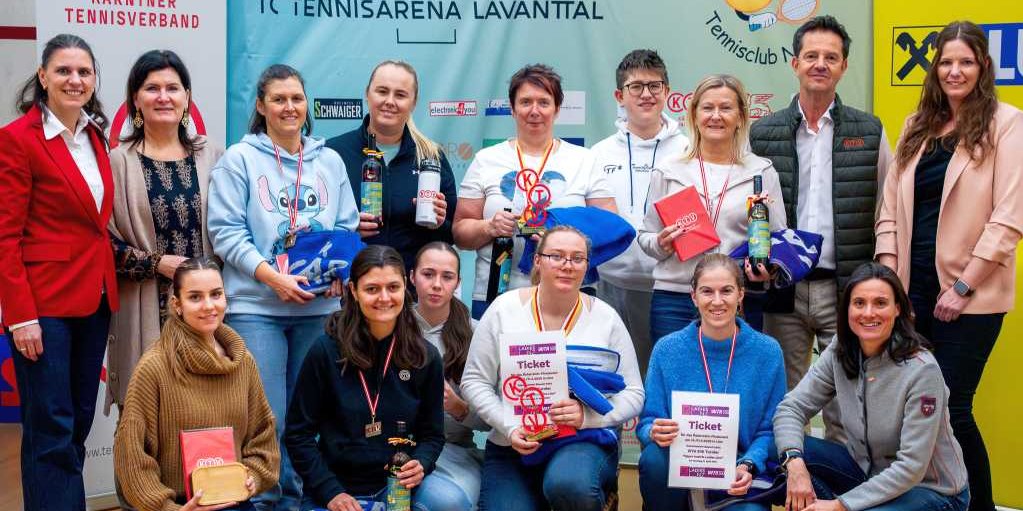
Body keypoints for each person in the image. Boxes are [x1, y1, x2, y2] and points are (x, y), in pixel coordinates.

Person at [875, 21, 1023, 511]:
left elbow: (1009, 217)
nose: (954, 71)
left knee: (953, 408)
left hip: (970, 295)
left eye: (966, 61)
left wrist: (963, 286)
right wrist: (891, 284)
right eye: (946, 62)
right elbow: (889, 210)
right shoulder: (916, 125)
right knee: (916, 412)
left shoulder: (1007, 123)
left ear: (984, 66)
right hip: (911, 292)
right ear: (934, 68)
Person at [207, 64, 360, 510]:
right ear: (261, 106)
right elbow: (225, 232)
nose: (289, 107)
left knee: (307, 417)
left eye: (296, 98)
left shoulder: (329, 161)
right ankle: (265, 502)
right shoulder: (239, 159)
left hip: (317, 309)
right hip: (257, 307)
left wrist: (339, 272)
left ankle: (296, 500)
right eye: (278, 99)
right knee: (266, 418)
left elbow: (347, 226)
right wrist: (271, 276)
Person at [749, 16, 892, 443]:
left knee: (847, 405)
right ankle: (791, 476)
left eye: (831, 57)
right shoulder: (762, 133)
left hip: (845, 288)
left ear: (844, 66)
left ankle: (840, 482)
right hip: (783, 288)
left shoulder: (869, 131)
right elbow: (750, 209)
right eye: (811, 55)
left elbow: (888, 209)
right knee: (787, 399)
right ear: (795, 63)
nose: (820, 64)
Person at [0, 33, 119, 511]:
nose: (75, 80)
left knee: (77, 424)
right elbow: (6, 236)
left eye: (84, 72)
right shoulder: (16, 140)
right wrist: (20, 316)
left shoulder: (95, 135)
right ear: (43, 77)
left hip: (94, 300)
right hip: (43, 307)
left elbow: (94, 224)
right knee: (50, 430)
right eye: (64, 70)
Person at [461, 226, 644, 511]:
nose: (567, 265)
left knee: (569, 485)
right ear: (537, 260)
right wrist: (509, 427)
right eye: (556, 256)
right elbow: (474, 381)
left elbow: (634, 393)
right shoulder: (503, 310)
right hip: (514, 442)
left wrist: (586, 417)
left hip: (582, 441)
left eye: (577, 258)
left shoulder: (606, 318)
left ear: (587, 265)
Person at [773, 263, 970, 511]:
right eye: (859, 303)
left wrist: (839, 506)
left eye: (880, 303)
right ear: (846, 308)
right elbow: (791, 408)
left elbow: (911, 467)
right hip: (867, 474)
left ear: (897, 308)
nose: (868, 313)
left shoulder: (922, 370)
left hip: (931, 490)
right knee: (776, 448)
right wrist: (794, 463)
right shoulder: (840, 350)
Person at [284, 245, 447, 510]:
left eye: (393, 287)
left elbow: (433, 435)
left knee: (450, 501)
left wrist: (422, 463)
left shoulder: (425, 356)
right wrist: (330, 492)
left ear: (405, 286)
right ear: (353, 291)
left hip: (398, 487)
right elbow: (298, 435)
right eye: (372, 289)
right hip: (337, 489)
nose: (384, 298)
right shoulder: (325, 351)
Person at [113, 256, 280, 511]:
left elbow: (263, 436)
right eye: (195, 297)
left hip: (235, 500)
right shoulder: (154, 367)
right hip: (179, 506)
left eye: (216, 294)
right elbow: (132, 454)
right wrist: (168, 508)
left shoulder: (243, 361)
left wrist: (253, 477)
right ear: (176, 304)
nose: (209, 306)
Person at [107, 49, 224, 410]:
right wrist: (158, 263)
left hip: (204, 310)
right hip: (144, 310)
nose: (163, 97)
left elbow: (230, 230)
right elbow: (102, 244)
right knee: (145, 416)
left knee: (205, 414)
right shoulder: (118, 162)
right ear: (135, 99)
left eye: (172, 88)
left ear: (187, 98)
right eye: (152, 88)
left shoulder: (212, 156)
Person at [454, 64, 616, 319]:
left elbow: (609, 227)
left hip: (569, 292)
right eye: (525, 102)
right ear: (512, 108)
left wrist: (561, 241)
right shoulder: (486, 159)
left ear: (557, 109)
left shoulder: (585, 160)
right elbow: (460, 232)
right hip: (497, 292)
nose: (534, 111)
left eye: (544, 102)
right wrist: (488, 227)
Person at [638, 74, 785, 343]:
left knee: (732, 371)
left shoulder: (761, 172)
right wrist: (661, 243)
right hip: (675, 299)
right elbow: (646, 236)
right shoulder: (668, 170)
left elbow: (777, 239)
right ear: (694, 115)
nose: (716, 116)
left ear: (740, 117)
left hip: (734, 299)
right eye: (708, 108)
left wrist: (768, 267)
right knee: (674, 370)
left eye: (726, 108)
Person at [637, 253, 787, 510]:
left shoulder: (767, 351)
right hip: (681, 467)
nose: (717, 301)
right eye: (707, 291)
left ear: (741, 294)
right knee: (653, 459)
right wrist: (653, 431)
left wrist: (749, 463)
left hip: (738, 473)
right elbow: (647, 422)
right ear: (694, 297)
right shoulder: (667, 349)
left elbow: (770, 429)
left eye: (726, 291)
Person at [590, 49, 690, 378]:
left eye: (654, 85)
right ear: (620, 96)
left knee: (665, 379)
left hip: (671, 287)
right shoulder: (598, 154)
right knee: (614, 378)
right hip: (611, 283)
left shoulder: (690, 150)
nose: (646, 94)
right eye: (636, 87)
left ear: (667, 91)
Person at [326, 60, 456, 272]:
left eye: (400, 95)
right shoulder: (333, 153)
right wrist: (346, 231)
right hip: (350, 283)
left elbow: (453, 235)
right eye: (382, 91)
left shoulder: (432, 156)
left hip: (410, 286)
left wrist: (439, 223)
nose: (390, 101)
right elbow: (313, 226)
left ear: (414, 103)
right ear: (367, 94)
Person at [411, 241, 488, 511]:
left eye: (447, 277)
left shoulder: (478, 334)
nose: (436, 285)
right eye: (428, 274)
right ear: (412, 277)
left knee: (451, 503)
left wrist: (459, 408)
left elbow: (494, 421)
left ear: (458, 283)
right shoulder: (391, 325)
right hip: (396, 447)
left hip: (454, 449)